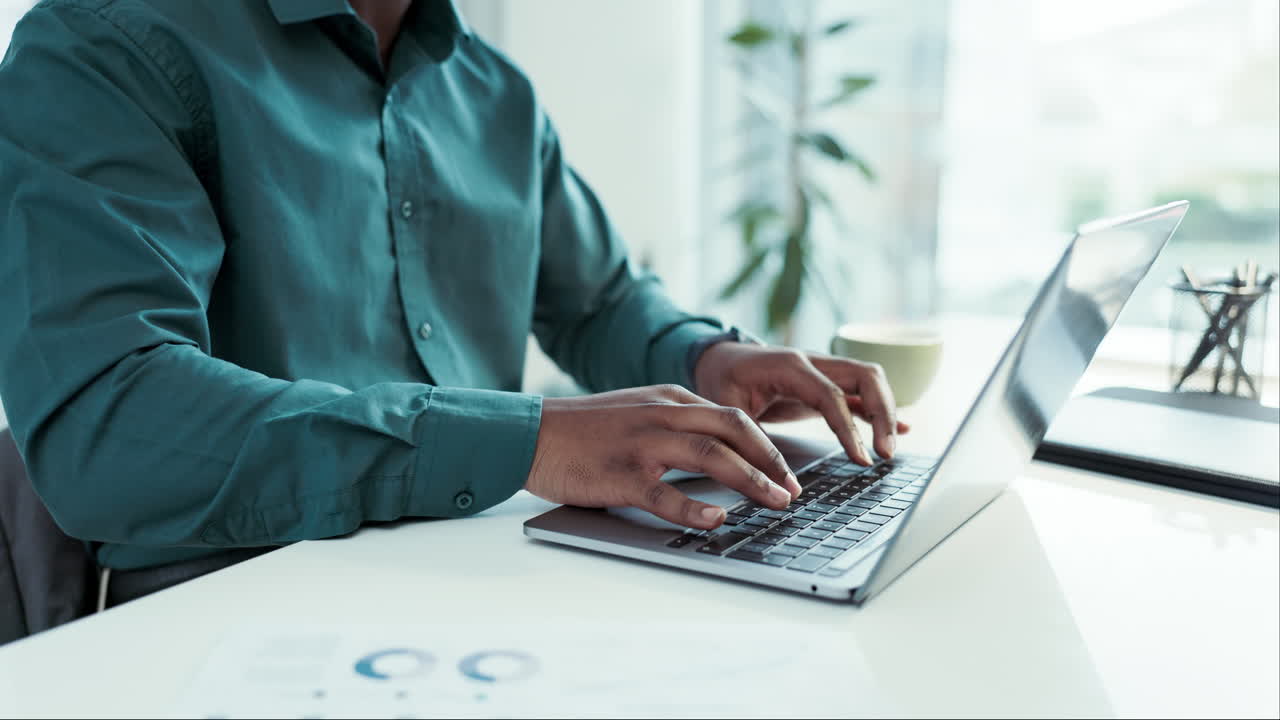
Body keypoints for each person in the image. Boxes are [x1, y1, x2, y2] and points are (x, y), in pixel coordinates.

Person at [0, 0, 904, 605]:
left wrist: (706, 359)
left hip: (494, 578)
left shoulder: (494, 93)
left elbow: (597, 303)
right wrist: (528, 438)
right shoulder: (106, 46)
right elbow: (107, 423)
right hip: (243, 608)